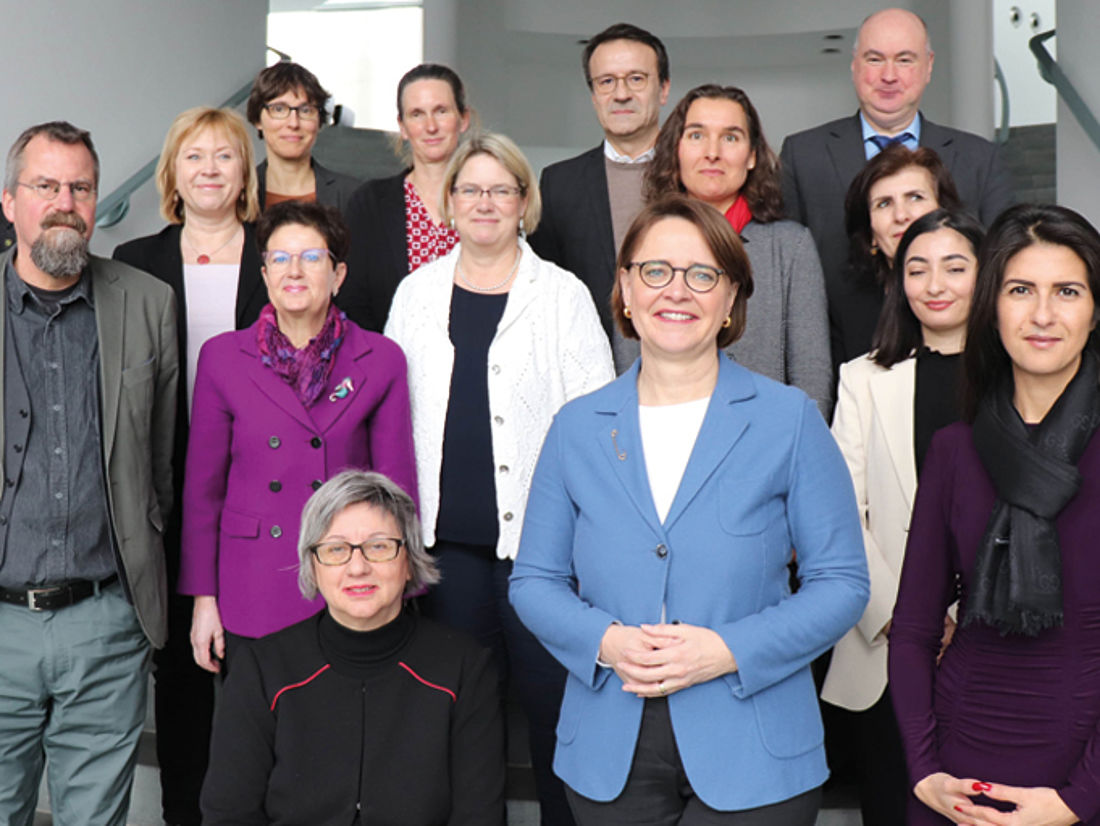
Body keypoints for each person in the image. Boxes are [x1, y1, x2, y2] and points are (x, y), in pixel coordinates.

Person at [510, 195, 869, 825]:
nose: (676, 291)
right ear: (625, 289)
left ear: (731, 299)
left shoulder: (788, 419)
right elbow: (534, 582)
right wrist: (606, 641)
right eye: (655, 271)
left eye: (703, 274)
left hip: (756, 745)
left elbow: (841, 584)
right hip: (609, 745)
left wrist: (729, 649)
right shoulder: (575, 428)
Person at [385, 131, 614, 826]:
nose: (485, 202)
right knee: (464, 721)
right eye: (470, 189)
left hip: (545, 555)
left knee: (555, 714)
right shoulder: (416, 293)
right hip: (445, 551)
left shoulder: (563, 295)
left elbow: (599, 425)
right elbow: (391, 412)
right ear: (450, 201)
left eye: (501, 189)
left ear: (524, 201)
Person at [890, 203, 1100, 826]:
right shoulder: (954, 450)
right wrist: (924, 771)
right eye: (1020, 290)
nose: (1043, 314)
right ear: (992, 308)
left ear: (1095, 311)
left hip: (1082, 775)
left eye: (1067, 291)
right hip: (957, 775)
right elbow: (914, 629)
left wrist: (1079, 800)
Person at [0, 121, 178, 825]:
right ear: (9, 201)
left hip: (105, 622)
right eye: (45, 186)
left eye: (80, 187)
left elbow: (160, 462)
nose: (65, 203)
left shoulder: (147, 302)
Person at [180, 199, 417, 677]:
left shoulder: (381, 359)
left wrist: (399, 593)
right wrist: (204, 600)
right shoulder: (222, 358)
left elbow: (396, 491)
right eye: (280, 258)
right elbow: (203, 491)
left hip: (347, 579)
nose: (294, 270)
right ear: (264, 273)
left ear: (338, 274)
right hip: (252, 582)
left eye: (311, 257)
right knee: (254, 719)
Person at [112, 104, 265, 825]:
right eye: (193, 156)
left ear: (245, 172)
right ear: (172, 173)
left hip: (262, 488)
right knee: (179, 675)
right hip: (166, 491)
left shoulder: (278, 253)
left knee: (262, 673)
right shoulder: (135, 261)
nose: (209, 169)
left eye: (224, 155)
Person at [201, 470, 506, 825]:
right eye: (336, 549)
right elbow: (228, 814)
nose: (358, 568)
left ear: (409, 561)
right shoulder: (262, 670)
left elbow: (479, 816)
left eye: (379, 547)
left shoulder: (464, 668)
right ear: (313, 566)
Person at [825, 208, 984, 826]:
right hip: (887, 647)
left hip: (997, 641)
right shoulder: (863, 378)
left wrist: (964, 620)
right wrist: (906, 618)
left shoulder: (1017, 376)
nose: (934, 284)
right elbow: (839, 510)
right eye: (917, 269)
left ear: (987, 274)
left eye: (955, 267)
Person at [779, 7, 1013, 324]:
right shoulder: (803, 154)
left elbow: (1003, 264)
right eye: (875, 59)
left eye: (904, 60)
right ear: (854, 65)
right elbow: (786, 272)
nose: (889, 76)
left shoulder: (980, 158)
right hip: (841, 344)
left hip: (957, 345)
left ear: (928, 66)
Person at [644, 83, 832, 417]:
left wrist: (792, 442)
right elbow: (631, 361)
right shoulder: (646, 242)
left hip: (767, 436)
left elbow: (811, 374)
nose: (712, 152)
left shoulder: (791, 246)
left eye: (730, 137)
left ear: (752, 156)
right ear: (676, 150)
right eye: (697, 135)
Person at [529, 22, 670, 371]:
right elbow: (544, 295)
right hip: (591, 373)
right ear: (594, 96)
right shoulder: (558, 183)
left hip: (688, 367)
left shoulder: (695, 174)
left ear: (663, 89)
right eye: (606, 82)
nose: (621, 94)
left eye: (636, 78)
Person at [341, 63, 471, 332]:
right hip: (391, 354)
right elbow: (352, 302)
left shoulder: (488, 200)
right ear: (402, 126)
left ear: (463, 119)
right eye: (417, 114)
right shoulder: (369, 204)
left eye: (441, 111)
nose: (430, 126)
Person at [833, 143, 962, 368]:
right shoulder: (847, 313)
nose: (901, 215)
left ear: (945, 212)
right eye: (884, 204)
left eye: (915, 197)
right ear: (870, 234)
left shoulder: (982, 293)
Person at [246, 60, 361, 213]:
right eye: (279, 109)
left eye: (306, 110)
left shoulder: (353, 195)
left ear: (319, 121)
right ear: (257, 120)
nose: (293, 123)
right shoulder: (239, 192)